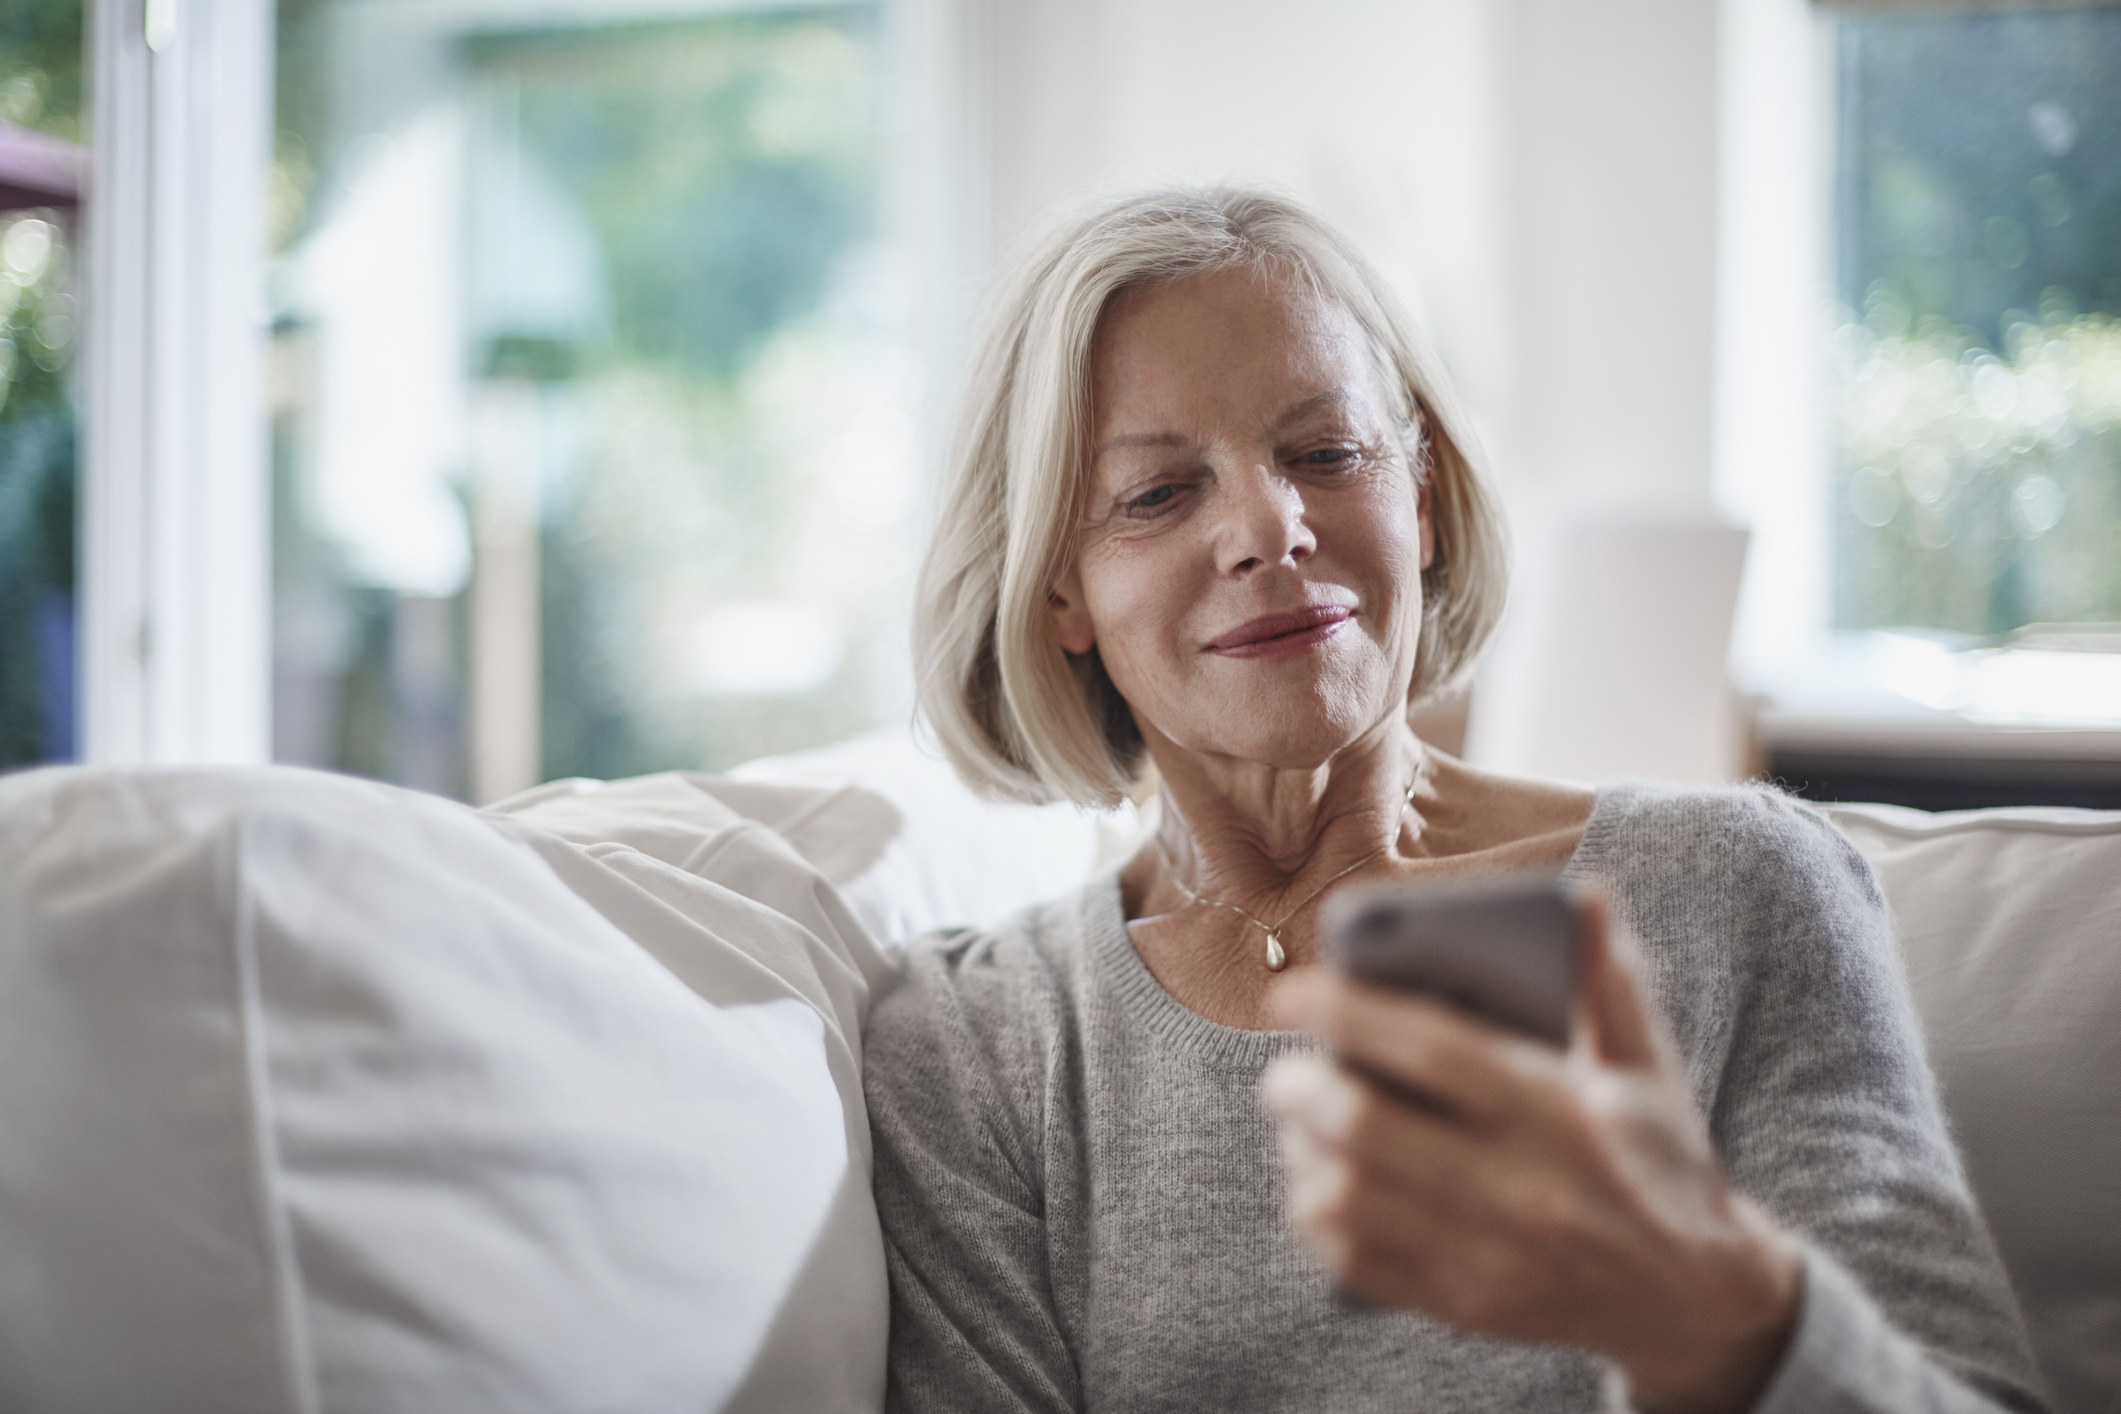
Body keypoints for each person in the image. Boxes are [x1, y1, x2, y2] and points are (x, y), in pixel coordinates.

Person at [864, 186, 2046, 1414]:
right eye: (1160, 493)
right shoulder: (976, 1049)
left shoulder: (1734, 889)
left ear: (1419, 498)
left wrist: (1716, 1314)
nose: (1272, 527)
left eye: (1326, 454)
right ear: (1058, 590)